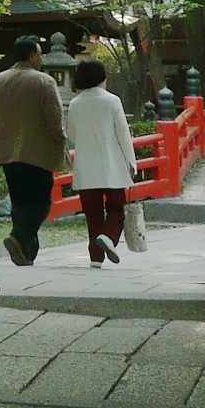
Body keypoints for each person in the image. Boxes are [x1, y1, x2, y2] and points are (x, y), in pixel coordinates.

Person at [0, 35, 66, 267]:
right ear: (31, 56)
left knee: (20, 203)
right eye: (39, 54)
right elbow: (54, 118)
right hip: (38, 153)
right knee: (41, 203)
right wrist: (60, 140)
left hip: (8, 153)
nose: (41, 59)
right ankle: (18, 238)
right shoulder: (43, 82)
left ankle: (27, 253)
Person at [66, 58, 136, 267]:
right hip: (112, 165)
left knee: (93, 215)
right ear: (101, 78)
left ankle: (95, 258)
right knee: (116, 208)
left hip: (86, 167)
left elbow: (71, 134)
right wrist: (131, 162)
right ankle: (108, 237)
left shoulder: (75, 103)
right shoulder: (112, 101)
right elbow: (123, 133)